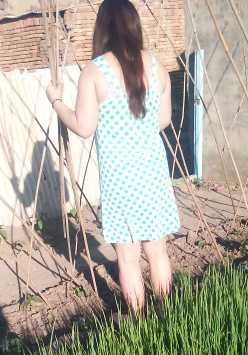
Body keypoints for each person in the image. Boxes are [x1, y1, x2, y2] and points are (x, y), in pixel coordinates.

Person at [46, 0, 180, 312]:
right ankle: (169, 315)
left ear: (102, 28)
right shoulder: (155, 65)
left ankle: (140, 322)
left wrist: (56, 101)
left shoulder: (95, 71)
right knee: (157, 251)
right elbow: (163, 120)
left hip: (121, 180)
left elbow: (83, 126)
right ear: (134, 26)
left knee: (128, 258)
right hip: (154, 174)